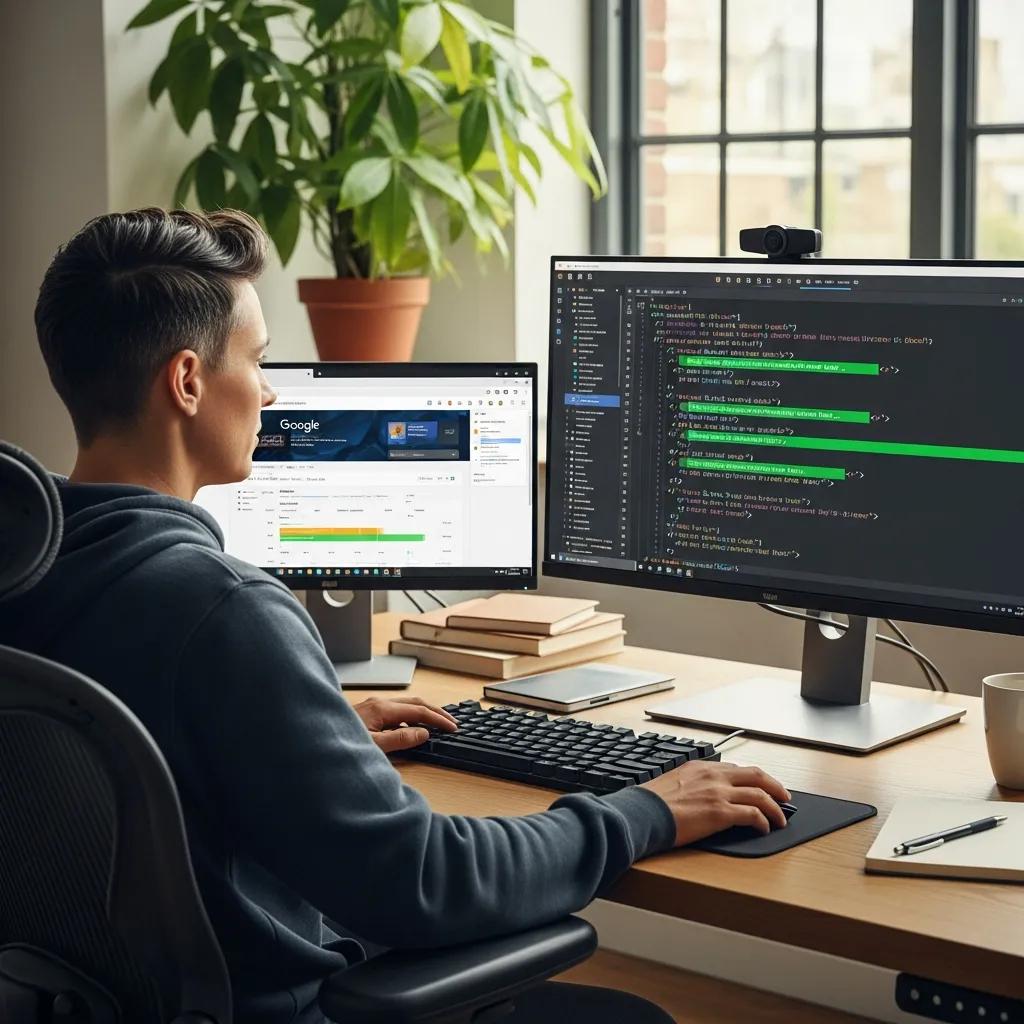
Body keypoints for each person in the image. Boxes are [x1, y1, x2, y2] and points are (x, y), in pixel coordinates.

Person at [3, 208, 792, 1024]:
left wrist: (301, 729)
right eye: (259, 360)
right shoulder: (221, 609)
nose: (270, 391)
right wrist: (647, 811)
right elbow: (423, 882)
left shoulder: (27, 570)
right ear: (189, 381)